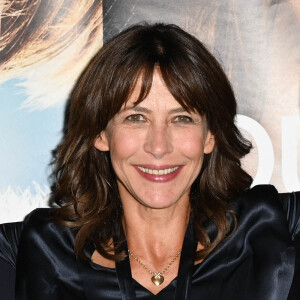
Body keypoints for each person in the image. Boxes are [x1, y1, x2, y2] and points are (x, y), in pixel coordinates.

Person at [0, 23, 299, 300]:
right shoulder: (46, 248)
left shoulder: (266, 225)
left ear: (210, 137)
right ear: (100, 133)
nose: (159, 147)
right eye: (136, 118)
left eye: (181, 119)